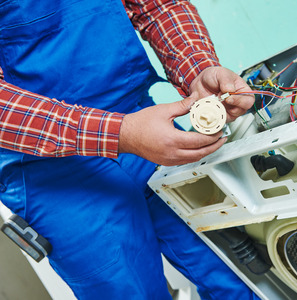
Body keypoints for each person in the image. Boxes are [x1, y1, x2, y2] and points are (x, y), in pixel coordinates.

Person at [0, 0, 258, 299]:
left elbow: (159, 7)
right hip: (47, 168)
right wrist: (120, 133)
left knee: (234, 274)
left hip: (142, 121)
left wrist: (198, 69)